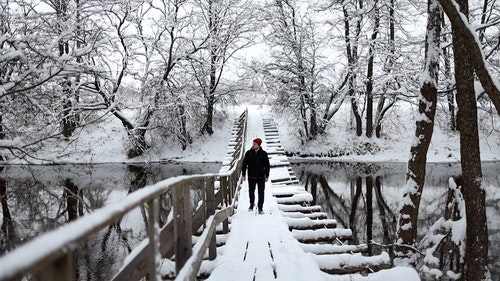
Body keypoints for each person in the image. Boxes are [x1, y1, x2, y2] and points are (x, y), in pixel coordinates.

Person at [241, 137, 270, 214]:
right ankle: (251, 204)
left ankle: (260, 207)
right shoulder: (248, 153)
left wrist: (267, 176)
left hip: (261, 177)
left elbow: (267, 166)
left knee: (261, 192)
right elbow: (244, 164)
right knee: (251, 192)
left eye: (255, 144)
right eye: (253, 144)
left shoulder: (264, 154)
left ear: (259, 145)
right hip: (251, 176)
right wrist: (243, 174)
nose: (253, 145)